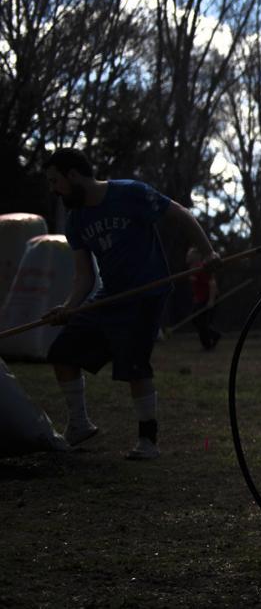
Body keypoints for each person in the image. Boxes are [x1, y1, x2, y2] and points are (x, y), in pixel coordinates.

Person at [42, 148, 219, 460]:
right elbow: (84, 276)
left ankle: (147, 441)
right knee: (63, 352)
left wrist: (207, 252)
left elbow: (180, 214)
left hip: (148, 293)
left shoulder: (130, 194)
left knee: (134, 362)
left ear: (73, 175)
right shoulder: (76, 220)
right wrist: (68, 306)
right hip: (110, 294)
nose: (54, 189)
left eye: (56, 180)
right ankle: (79, 424)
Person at [186, 246, 221, 350]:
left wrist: (211, 300)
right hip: (200, 299)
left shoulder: (201, 267)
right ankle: (214, 335)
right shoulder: (192, 269)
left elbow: (212, 283)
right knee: (196, 320)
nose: (187, 256)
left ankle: (208, 345)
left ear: (196, 256)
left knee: (201, 322)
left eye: (189, 254)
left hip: (208, 298)